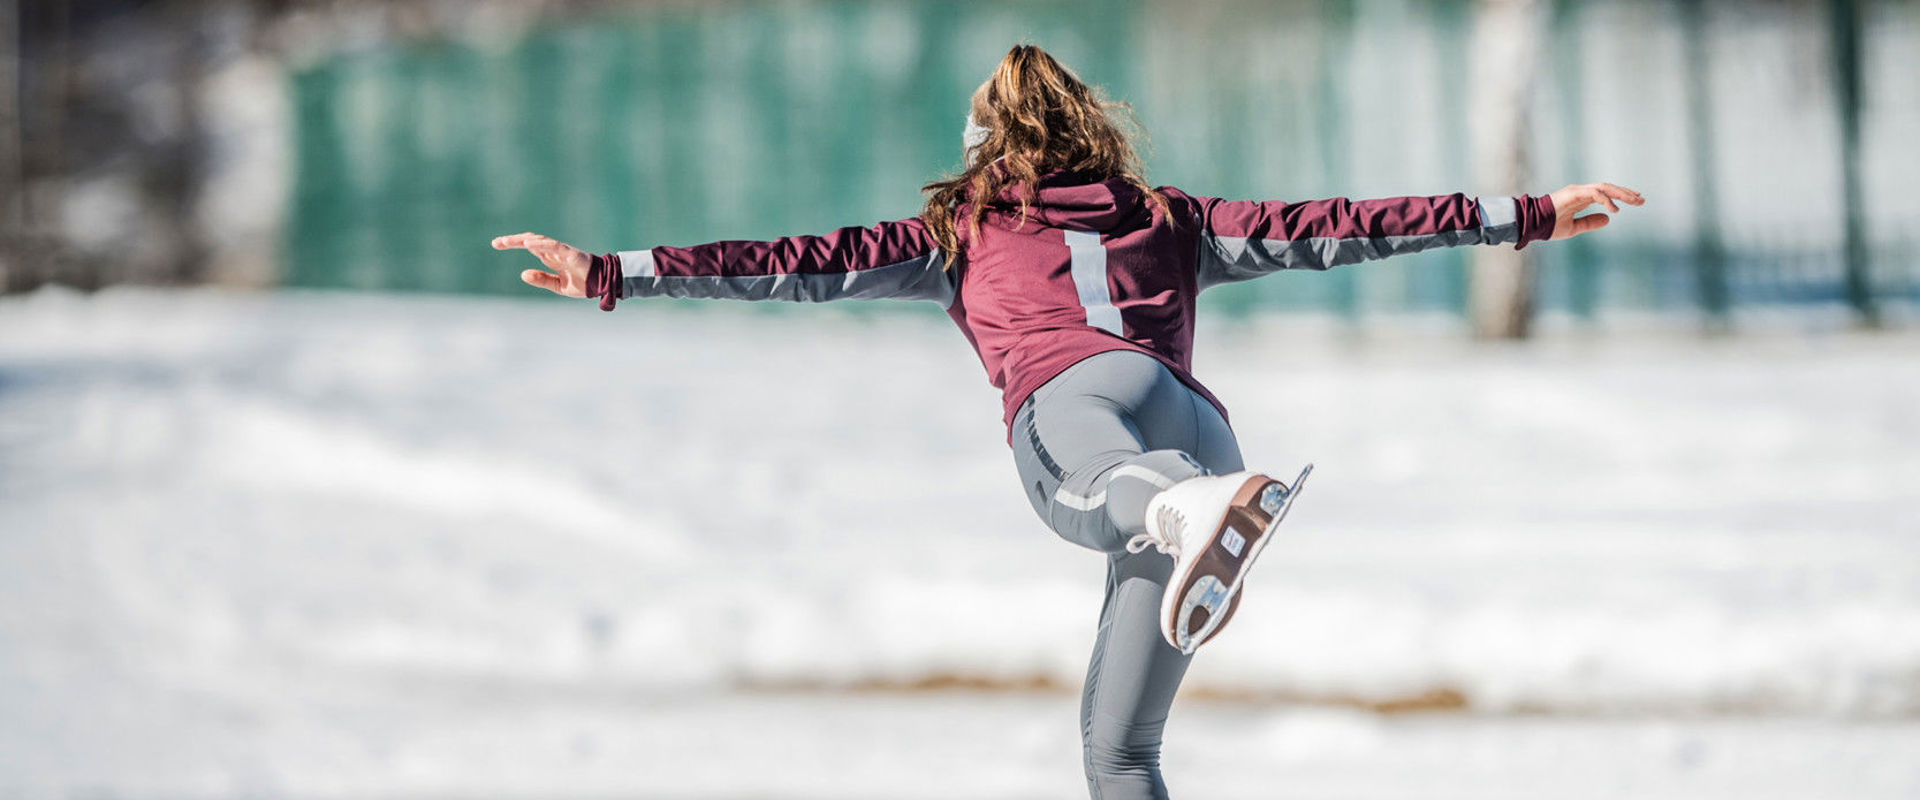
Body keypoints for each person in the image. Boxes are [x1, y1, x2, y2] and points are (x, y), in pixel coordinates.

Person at [494, 43, 1641, 800]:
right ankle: (1191, 505)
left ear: (985, 150)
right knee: (1120, 746)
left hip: (1090, 417)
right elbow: (1341, 222)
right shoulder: (1170, 216)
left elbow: (792, 264)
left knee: (1077, 494)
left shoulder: (958, 229)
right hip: (1197, 425)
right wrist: (1529, 211)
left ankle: (1184, 508)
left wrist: (614, 271)